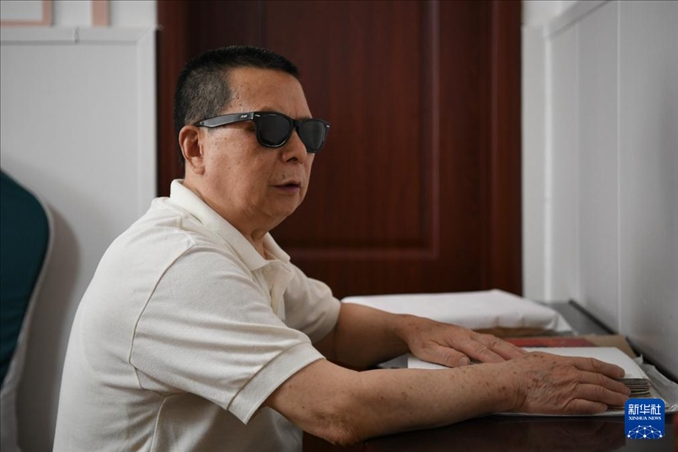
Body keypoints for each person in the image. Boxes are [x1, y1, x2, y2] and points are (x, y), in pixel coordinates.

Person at [53, 45, 629, 451]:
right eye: (270, 128)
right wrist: (518, 382)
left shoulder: (242, 240)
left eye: (309, 133)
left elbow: (330, 328)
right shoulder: (178, 265)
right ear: (195, 147)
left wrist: (411, 330)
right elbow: (338, 410)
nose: (298, 152)